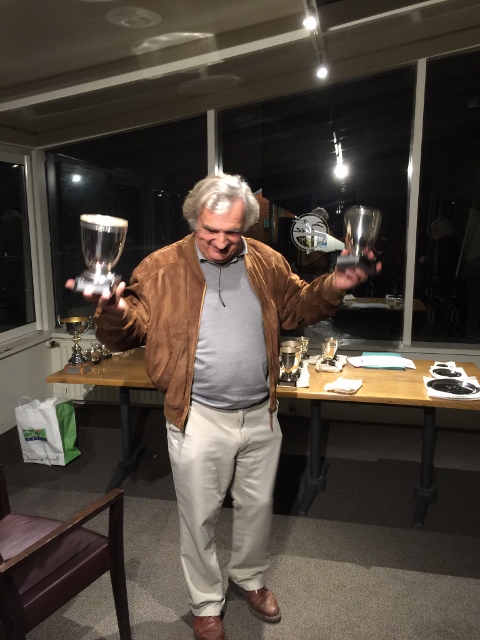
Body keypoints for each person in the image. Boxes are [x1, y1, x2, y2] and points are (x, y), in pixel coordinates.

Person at [67, 173, 380, 640]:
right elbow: (127, 330)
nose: (219, 241)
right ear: (194, 220)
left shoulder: (266, 261)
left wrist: (335, 283)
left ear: (245, 226)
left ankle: (249, 578)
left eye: (231, 232)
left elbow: (297, 306)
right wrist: (112, 311)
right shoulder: (161, 267)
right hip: (197, 415)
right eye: (209, 230)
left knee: (257, 507)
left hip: (261, 412)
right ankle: (206, 603)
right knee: (199, 516)